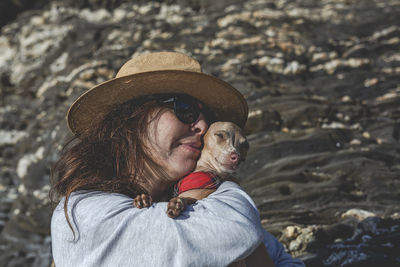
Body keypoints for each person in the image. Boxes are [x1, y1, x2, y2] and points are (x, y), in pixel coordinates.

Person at [50, 51, 304, 266]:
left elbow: (282, 258)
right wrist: (221, 184)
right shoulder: (81, 213)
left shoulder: (196, 204)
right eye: (185, 109)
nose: (203, 126)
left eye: (209, 116)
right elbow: (231, 231)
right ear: (131, 120)